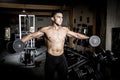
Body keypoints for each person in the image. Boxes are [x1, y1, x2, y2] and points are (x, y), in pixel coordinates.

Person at [20, 10, 89, 80]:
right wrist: (20, 42)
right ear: (52, 18)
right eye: (58, 17)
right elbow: (31, 36)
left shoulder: (65, 30)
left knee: (63, 77)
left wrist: (89, 38)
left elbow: (77, 35)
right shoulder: (46, 30)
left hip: (61, 58)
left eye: (62, 17)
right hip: (50, 58)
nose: (61, 19)